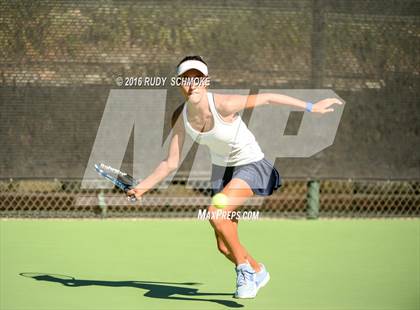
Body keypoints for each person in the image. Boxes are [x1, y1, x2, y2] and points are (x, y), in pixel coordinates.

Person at [127, 55, 342, 298]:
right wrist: (141, 188)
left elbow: (268, 98)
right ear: (178, 82)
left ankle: (244, 271)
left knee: (215, 214)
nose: (191, 84)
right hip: (222, 172)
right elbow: (170, 162)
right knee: (223, 245)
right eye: (186, 79)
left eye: (197, 78)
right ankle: (257, 270)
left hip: (251, 164)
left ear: (206, 81)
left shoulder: (224, 104)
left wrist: (312, 107)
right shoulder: (180, 116)